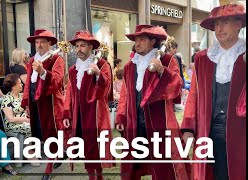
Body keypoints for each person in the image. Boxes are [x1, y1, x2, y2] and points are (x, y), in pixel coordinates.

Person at [115, 25, 190, 180]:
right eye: (136, 39)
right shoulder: (130, 65)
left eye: (142, 39)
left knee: (163, 164)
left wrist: (162, 70)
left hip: (160, 121)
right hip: (135, 122)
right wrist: (121, 115)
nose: (138, 43)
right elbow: (125, 93)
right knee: (133, 164)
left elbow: (177, 86)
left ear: (153, 41)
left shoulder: (168, 60)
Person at [181, 4, 246, 180]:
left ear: (239, 24)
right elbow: (194, 95)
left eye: (225, 22)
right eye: (216, 25)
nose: (219, 29)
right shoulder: (204, 58)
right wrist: (188, 128)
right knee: (213, 174)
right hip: (208, 129)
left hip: (241, 133)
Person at [63, 30, 115, 180]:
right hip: (79, 114)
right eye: (77, 46)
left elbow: (106, 90)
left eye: (82, 46)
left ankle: (98, 177)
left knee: (96, 149)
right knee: (85, 148)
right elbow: (70, 92)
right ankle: (91, 176)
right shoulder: (73, 69)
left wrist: (98, 73)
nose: (79, 49)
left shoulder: (102, 64)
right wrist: (67, 113)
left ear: (91, 47)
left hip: (96, 114)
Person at [21, 29, 65, 180]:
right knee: (40, 134)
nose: (39, 45)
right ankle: (60, 154)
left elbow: (58, 81)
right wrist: (26, 102)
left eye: (42, 42)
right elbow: (28, 82)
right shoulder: (32, 60)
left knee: (51, 134)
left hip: (50, 103)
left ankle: (48, 169)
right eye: (37, 42)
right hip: (35, 103)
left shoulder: (56, 59)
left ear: (49, 43)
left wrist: (43, 72)